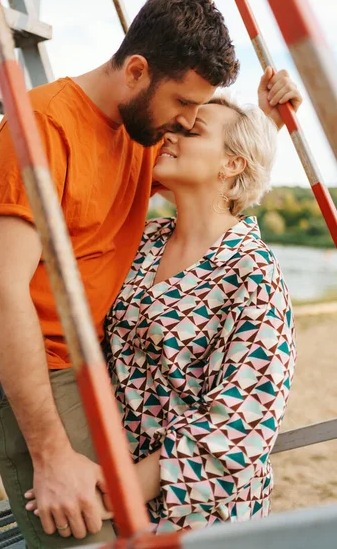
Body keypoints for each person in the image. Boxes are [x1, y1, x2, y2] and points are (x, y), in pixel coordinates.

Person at [0, 0, 240, 548]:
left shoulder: (141, 131)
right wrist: (52, 454)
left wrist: (274, 110)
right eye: (183, 103)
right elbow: (3, 293)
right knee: (95, 536)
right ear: (136, 71)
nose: (186, 122)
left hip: (91, 357)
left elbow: (215, 168)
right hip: (23, 360)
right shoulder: (43, 126)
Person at [102, 92, 299, 532]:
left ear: (232, 165)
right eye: (174, 126)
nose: (170, 135)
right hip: (113, 479)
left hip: (198, 511)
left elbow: (244, 419)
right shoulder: (144, 241)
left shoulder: (253, 270)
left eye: (191, 131)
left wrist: (122, 489)